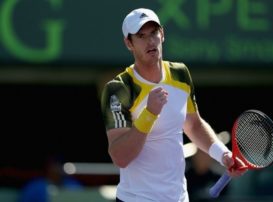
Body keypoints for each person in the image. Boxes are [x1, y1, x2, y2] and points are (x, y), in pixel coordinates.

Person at [100, 8, 247, 202]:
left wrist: (224, 155)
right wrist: (149, 114)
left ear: (163, 34)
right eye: (141, 36)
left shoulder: (180, 73)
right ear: (129, 43)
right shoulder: (119, 89)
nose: (150, 41)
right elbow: (120, 157)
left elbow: (193, 124)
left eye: (154, 33)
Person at [18, 154, 82, 202]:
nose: (57, 168)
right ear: (48, 167)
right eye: (54, 165)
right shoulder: (35, 186)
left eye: (59, 164)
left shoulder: (73, 185)